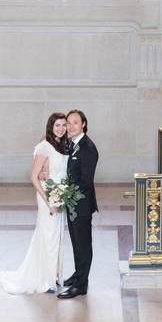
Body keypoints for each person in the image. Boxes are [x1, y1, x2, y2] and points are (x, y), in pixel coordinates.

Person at [0, 113, 70, 294]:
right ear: (50, 127)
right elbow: (34, 177)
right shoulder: (44, 146)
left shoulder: (62, 145)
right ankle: (45, 280)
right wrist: (48, 200)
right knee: (48, 235)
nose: (60, 129)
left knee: (56, 235)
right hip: (47, 194)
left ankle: (53, 275)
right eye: (57, 125)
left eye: (63, 125)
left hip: (59, 193)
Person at [57, 109, 98, 299]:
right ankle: (77, 275)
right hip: (72, 204)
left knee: (83, 244)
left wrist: (66, 191)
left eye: (75, 122)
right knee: (76, 242)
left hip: (81, 204)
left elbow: (86, 180)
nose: (70, 126)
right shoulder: (73, 144)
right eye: (68, 122)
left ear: (83, 124)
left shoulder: (88, 148)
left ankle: (81, 285)